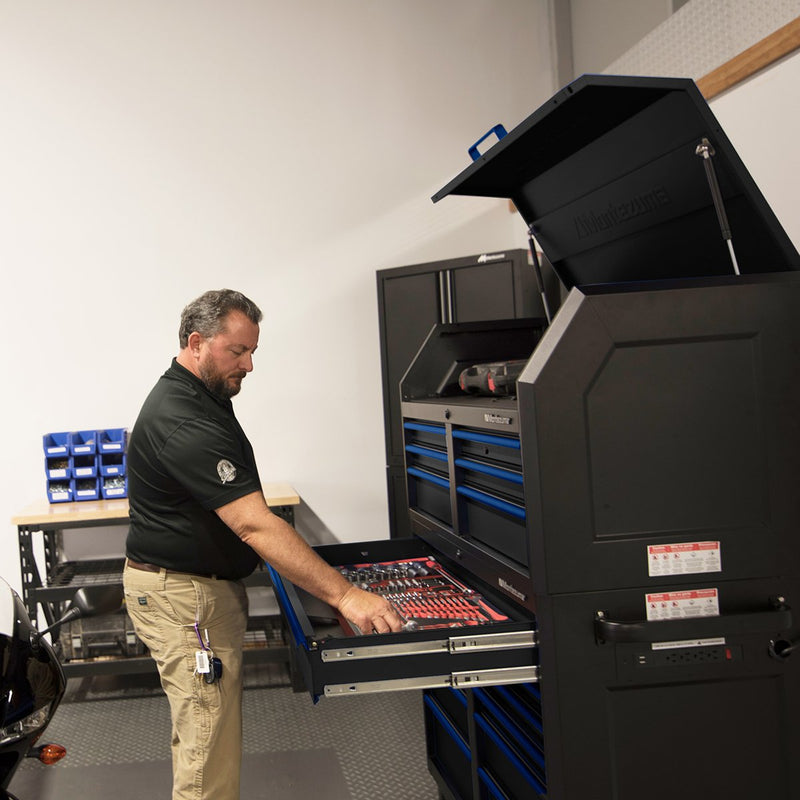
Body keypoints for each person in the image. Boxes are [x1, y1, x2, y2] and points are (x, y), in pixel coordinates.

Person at [122, 289, 403, 800]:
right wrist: (344, 596)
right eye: (238, 351)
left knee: (203, 739)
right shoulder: (183, 416)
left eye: (254, 352)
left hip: (192, 592)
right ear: (197, 343)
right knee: (207, 752)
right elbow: (253, 525)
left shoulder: (199, 397)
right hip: (185, 600)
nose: (249, 365)